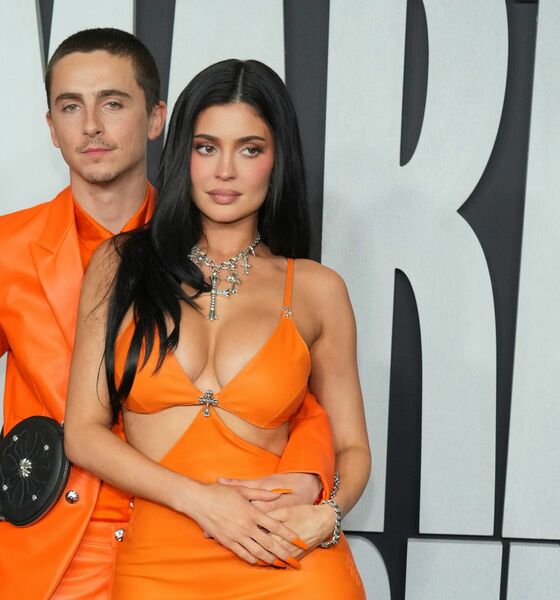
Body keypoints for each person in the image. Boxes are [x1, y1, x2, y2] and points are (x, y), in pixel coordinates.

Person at [0, 28, 338, 600]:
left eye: (113, 103)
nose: (92, 126)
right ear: (50, 127)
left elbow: (303, 398)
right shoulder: (3, 252)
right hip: (57, 555)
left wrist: (310, 480)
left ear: (156, 120)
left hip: (197, 536)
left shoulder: (219, 243)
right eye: (70, 107)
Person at [64, 58, 371, 599]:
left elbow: (352, 449)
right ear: (183, 154)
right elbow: (82, 434)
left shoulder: (318, 289)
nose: (225, 171)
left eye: (250, 149)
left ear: (277, 162)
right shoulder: (121, 265)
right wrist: (203, 501)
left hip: (289, 563)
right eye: (207, 147)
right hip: (160, 566)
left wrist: (328, 514)